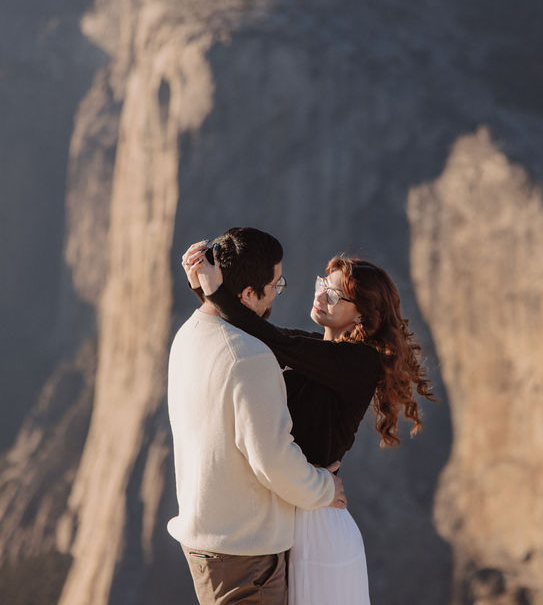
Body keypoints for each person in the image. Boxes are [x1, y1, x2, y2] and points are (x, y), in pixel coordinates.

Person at [182, 238, 436, 605]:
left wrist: (215, 291)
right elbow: (257, 332)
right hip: (291, 508)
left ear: (361, 315)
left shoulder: (357, 363)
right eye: (322, 284)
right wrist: (204, 292)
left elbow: (275, 340)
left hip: (317, 522)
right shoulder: (318, 347)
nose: (320, 295)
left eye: (334, 295)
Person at [167, 227, 347, 605]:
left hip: (208, 542)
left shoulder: (190, 334)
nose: (278, 292)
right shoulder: (247, 356)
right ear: (248, 294)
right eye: (275, 285)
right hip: (244, 558)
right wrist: (324, 489)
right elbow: (273, 460)